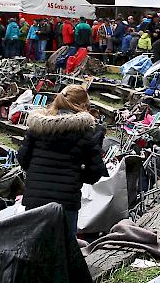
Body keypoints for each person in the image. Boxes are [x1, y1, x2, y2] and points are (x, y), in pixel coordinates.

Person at [17, 84, 107, 235]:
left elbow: (22, 159)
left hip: (35, 198)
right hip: (66, 202)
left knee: (33, 249)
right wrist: (76, 176)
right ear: (83, 105)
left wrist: (38, 172)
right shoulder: (86, 132)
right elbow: (95, 172)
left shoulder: (37, 127)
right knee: (65, 249)